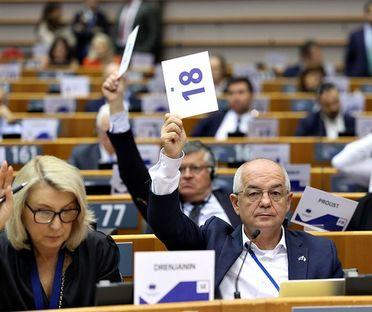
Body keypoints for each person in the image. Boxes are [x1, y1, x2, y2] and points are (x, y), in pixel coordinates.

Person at [147, 114, 343, 299]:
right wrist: (171, 162)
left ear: (288, 202)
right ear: (235, 203)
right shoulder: (213, 241)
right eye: (254, 193)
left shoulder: (321, 251)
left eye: (275, 193)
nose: (265, 202)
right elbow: (167, 224)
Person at [101, 72, 240, 227]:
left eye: (195, 168)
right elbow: (132, 172)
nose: (186, 176)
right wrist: (116, 105)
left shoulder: (234, 203)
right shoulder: (160, 203)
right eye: (180, 169)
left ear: (211, 171)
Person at [0, 156, 121, 310]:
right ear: (20, 209)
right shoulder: (2, 251)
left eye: (67, 210)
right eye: (44, 212)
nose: (57, 226)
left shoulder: (98, 250)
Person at [69, 104, 116, 169]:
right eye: (105, 132)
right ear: (98, 131)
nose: (111, 137)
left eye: (115, 132)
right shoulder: (80, 155)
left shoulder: (132, 155)